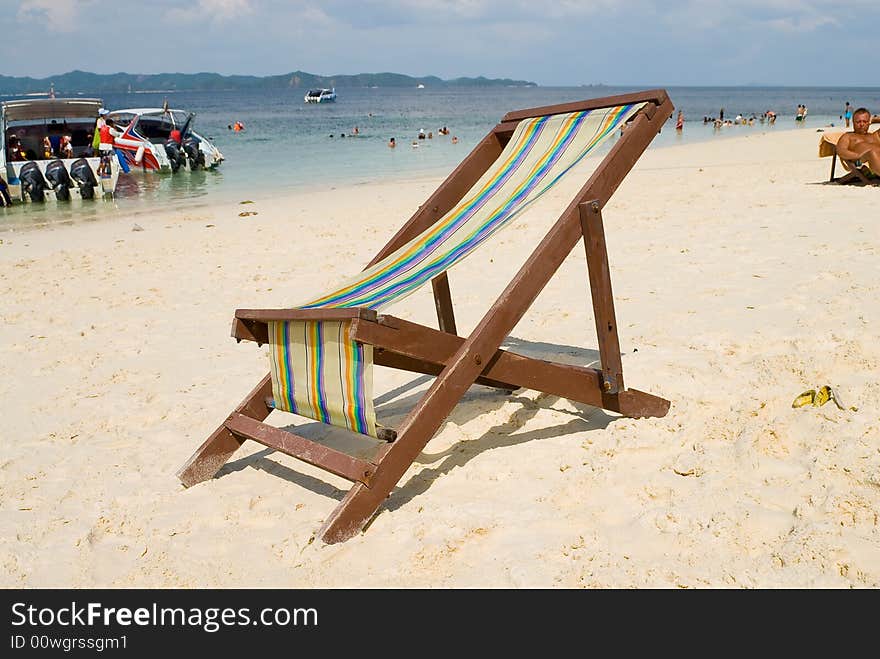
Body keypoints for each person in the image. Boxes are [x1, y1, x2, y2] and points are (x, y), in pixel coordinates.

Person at [836, 107, 880, 174]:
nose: (862, 124)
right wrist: (858, 156)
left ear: (869, 122)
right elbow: (840, 151)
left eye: (865, 121)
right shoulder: (848, 136)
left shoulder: (875, 135)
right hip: (863, 161)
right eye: (858, 122)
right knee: (871, 152)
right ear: (853, 122)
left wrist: (875, 120)